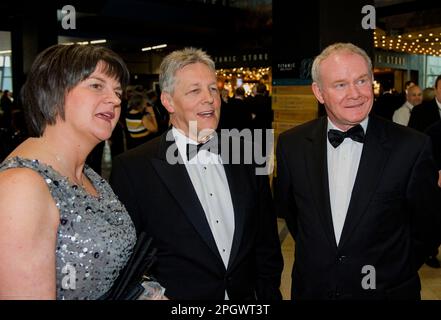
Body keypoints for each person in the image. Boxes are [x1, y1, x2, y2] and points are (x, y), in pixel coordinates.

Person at [110, 47, 283, 300]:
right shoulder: (134, 168)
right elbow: (126, 260)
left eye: (213, 88)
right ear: (168, 101)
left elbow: (265, 242)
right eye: (195, 90)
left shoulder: (246, 153)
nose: (209, 98)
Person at [275, 43, 441, 300]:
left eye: (362, 81)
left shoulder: (412, 147)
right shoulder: (291, 145)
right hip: (313, 291)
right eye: (340, 85)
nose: (355, 93)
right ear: (319, 92)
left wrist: (392, 272)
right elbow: (295, 217)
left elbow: (428, 227)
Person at [0, 44, 145, 300]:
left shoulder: (90, 176)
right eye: (96, 85)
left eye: (117, 91)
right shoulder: (20, 186)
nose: (115, 99)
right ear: (53, 90)